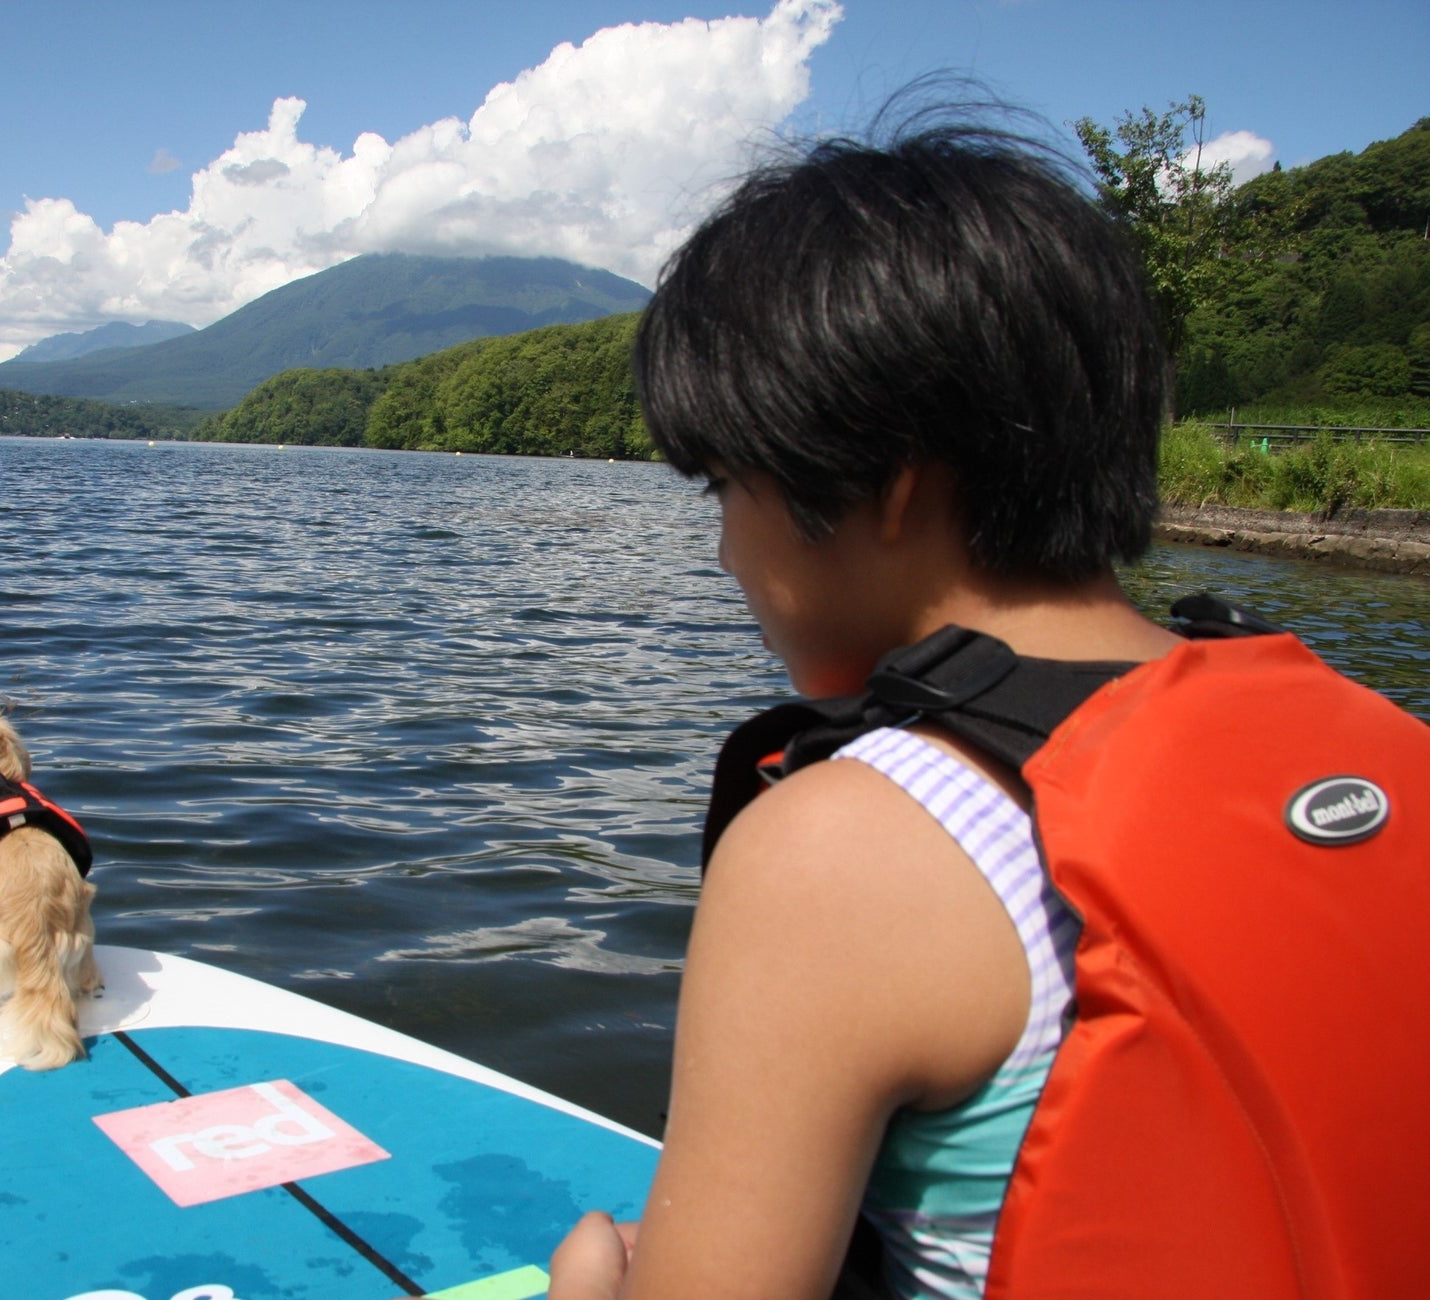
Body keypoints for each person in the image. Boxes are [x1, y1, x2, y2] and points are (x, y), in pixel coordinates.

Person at [548, 113, 1430, 1300]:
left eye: (725, 487)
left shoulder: (835, 854)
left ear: (893, 485)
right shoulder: (1381, 752)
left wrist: (592, 1281)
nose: (721, 553)